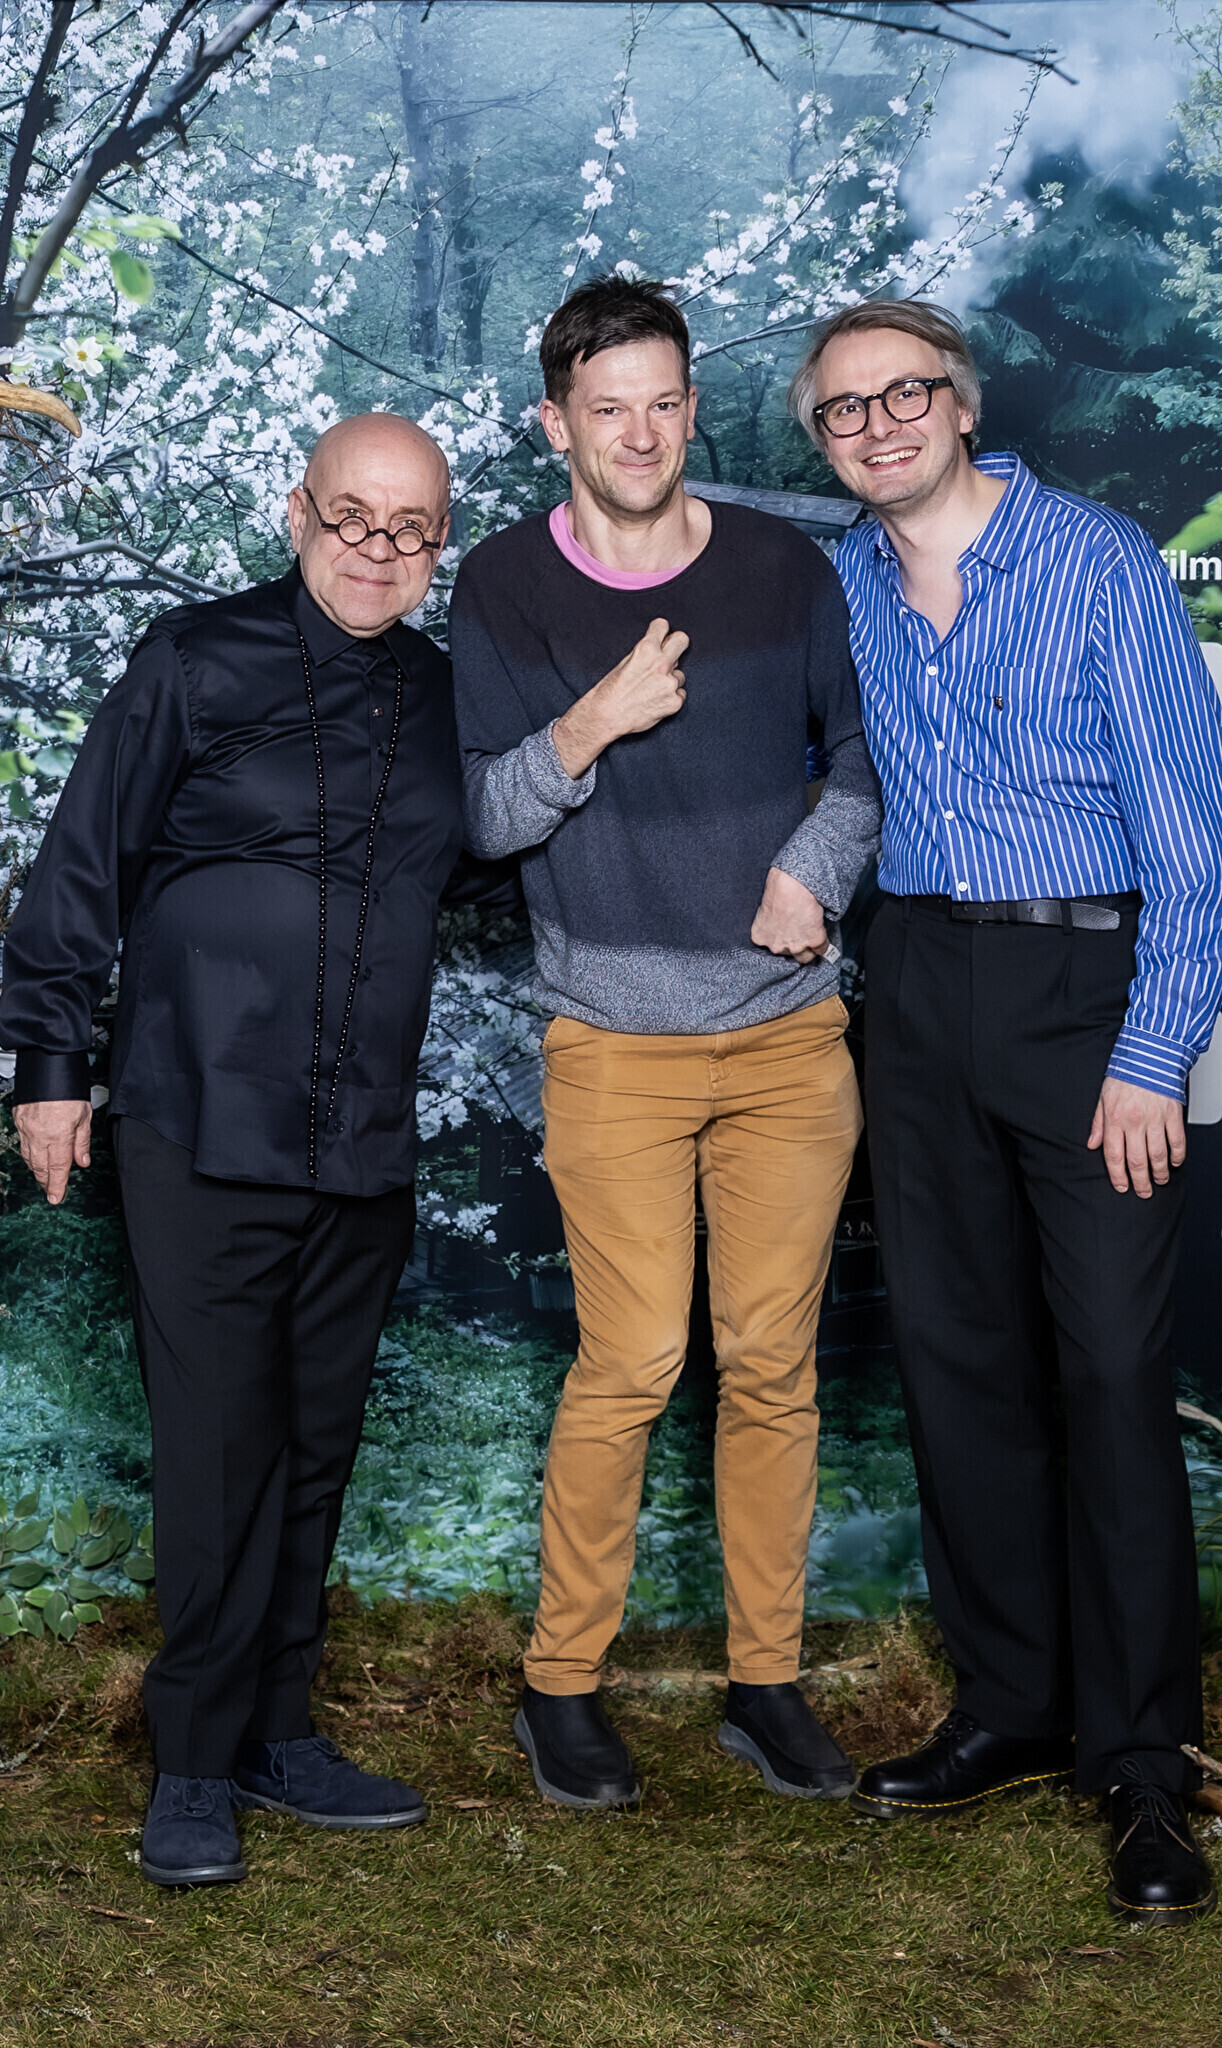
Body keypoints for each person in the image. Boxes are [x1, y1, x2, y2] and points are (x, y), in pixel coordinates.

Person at [796, 299, 1222, 1925]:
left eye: (905, 393)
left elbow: (1198, 837)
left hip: (1084, 990)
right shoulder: (839, 581)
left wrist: (1152, 1054)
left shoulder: (1098, 562)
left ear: (964, 404)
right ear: (823, 442)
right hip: (916, 985)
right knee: (959, 1357)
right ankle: (1010, 1704)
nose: (879, 425)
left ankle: (1142, 1761)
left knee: (1111, 1369)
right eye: (844, 410)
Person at [0, 413, 465, 1889]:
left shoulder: (445, 695)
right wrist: (52, 1069)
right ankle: (191, 1761)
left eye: (411, 529)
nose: (378, 550)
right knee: (216, 1449)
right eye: (353, 517)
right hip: (200, 1116)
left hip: (361, 1136)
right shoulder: (193, 660)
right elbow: (85, 862)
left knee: (317, 1445)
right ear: (298, 513)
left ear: (438, 545)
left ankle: (278, 1729)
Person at [453, 278, 880, 1811]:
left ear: (693, 409)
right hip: (614, 1048)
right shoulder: (505, 586)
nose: (638, 435)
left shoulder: (783, 569)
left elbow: (863, 764)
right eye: (606, 409)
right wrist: (596, 718)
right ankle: (561, 1684)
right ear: (555, 423)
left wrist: (811, 872)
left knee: (771, 1367)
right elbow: (483, 816)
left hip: (787, 1044)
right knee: (631, 1362)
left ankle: (767, 1681)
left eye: (662, 404)